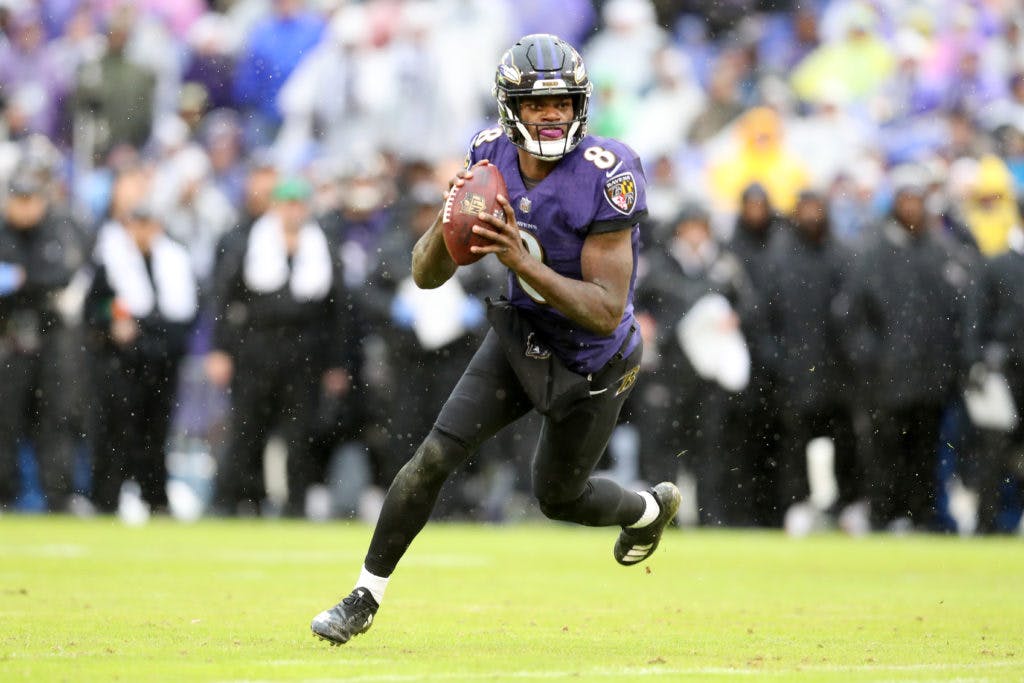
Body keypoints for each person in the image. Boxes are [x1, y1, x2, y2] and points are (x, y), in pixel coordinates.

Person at [311, 34, 680, 646]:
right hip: (523, 336)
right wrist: (452, 221)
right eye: (537, 104)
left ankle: (647, 510)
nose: (552, 115)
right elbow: (425, 274)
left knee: (558, 497)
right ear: (511, 108)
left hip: (595, 359)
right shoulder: (489, 155)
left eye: (562, 102)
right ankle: (363, 596)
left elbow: (605, 310)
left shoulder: (607, 173)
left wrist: (519, 260)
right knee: (434, 457)